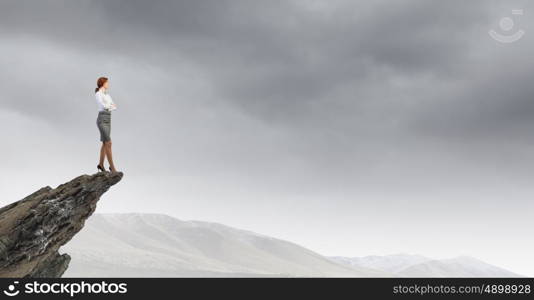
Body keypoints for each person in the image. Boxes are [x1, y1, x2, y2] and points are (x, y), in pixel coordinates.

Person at [95, 77, 119, 173]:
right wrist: (109, 106)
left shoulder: (107, 95)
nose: (108, 84)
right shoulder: (98, 94)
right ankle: (112, 168)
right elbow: (102, 105)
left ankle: (100, 164)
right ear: (102, 83)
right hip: (102, 119)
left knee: (105, 143)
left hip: (108, 119)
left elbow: (114, 106)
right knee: (108, 143)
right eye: (107, 82)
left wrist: (109, 106)